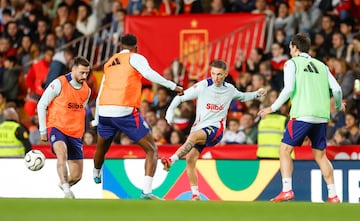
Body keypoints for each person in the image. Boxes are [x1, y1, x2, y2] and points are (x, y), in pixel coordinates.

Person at [91, 33, 183, 200]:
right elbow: (150, 74)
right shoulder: (135, 57)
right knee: (151, 150)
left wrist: (97, 117)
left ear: (120, 46)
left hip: (104, 110)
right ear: (136, 47)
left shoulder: (109, 62)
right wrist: (173, 86)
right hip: (124, 111)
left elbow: (101, 90)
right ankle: (146, 192)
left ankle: (96, 171)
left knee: (102, 147)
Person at [258, 33, 345, 203]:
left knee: (284, 150)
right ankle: (333, 195)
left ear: (295, 48)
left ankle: (287, 190)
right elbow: (337, 90)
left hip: (302, 114)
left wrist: (272, 107)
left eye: (290, 47)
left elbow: (289, 88)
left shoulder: (291, 63)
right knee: (321, 156)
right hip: (321, 117)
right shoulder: (322, 65)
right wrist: (337, 105)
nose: (290, 50)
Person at [161, 59, 266, 200]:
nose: (216, 77)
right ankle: (195, 194)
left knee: (192, 137)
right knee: (190, 160)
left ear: (225, 74)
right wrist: (170, 111)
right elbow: (180, 97)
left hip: (216, 130)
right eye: (213, 73)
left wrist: (257, 94)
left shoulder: (229, 89)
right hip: (200, 128)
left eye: (219, 74)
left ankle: (171, 161)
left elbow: (242, 96)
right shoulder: (203, 86)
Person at [37, 56, 92, 198]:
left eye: (87, 73)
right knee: (62, 153)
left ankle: (64, 183)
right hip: (57, 127)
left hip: (75, 133)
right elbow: (42, 104)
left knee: (77, 175)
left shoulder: (87, 90)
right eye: (81, 72)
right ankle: (67, 192)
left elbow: (81, 111)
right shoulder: (59, 83)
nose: (84, 76)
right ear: (73, 69)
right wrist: (43, 130)